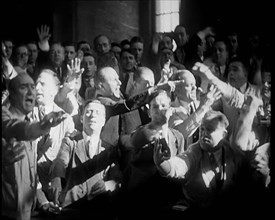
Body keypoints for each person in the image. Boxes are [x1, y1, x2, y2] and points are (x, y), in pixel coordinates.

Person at [153, 110, 269, 218]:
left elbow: (248, 185)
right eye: (202, 129)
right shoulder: (194, 151)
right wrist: (163, 164)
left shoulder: (235, 155)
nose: (203, 134)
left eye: (209, 130)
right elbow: (180, 164)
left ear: (223, 135)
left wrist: (264, 174)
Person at [2, 72, 66, 220]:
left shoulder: (29, 122)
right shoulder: (7, 121)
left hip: (26, 212)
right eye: (24, 87)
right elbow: (16, 128)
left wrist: (43, 202)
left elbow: (31, 173)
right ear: (11, 94)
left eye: (33, 87)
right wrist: (42, 126)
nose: (32, 91)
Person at [49, 99, 120, 219]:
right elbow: (61, 161)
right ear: (82, 118)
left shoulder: (109, 149)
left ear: (103, 121)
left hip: (99, 210)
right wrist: (56, 181)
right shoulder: (70, 142)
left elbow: (117, 179)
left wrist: (108, 185)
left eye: (97, 112)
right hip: (71, 209)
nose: (92, 115)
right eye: (89, 112)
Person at [119, 90, 185, 219]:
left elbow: (180, 171)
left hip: (167, 202)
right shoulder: (141, 133)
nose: (160, 109)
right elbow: (135, 140)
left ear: (170, 110)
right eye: (155, 106)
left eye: (164, 106)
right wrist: (154, 130)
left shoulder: (178, 137)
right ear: (148, 111)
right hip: (139, 203)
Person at [35, 69, 75, 198]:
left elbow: (67, 154)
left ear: (54, 90)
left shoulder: (66, 119)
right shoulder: (25, 116)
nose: (36, 88)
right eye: (36, 84)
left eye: (42, 84)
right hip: (31, 186)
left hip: (56, 186)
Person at [169, 70, 221, 149]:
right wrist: (203, 107)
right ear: (176, 90)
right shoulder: (169, 110)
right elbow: (180, 134)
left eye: (194, 84)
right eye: (189, 85)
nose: (195, 88)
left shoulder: (200, 105)